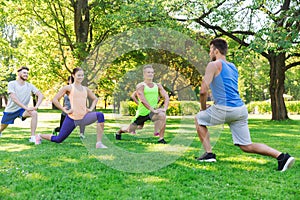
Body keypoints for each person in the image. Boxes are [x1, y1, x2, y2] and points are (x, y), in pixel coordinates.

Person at [194, 38, 295, 172]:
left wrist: (202, 108)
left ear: (216, 50)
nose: (209, 53)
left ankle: (209, 154)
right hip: (240, 110)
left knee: (199, 118)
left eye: (210, 50)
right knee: (246, 145)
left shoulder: (213, 65)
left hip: (225, 109)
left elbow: (203, 91)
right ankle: (282, 157)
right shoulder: (233, 67)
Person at [36, 67, 107, 148]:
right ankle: (40, 136)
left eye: (82, 75)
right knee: (59, 139)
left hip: (84, 117)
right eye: (78, 75)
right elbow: (55, 99)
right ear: (73, 75)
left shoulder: (85, 89)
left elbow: (95, 99)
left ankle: (99, 143)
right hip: (72, 118)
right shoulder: (69, 88)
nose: (81, 77)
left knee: (100, 115)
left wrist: (90, 109)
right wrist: (64, 110)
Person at [116, 64, 169, 144]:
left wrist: (164, 108)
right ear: (144, 74)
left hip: (152, 112)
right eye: (148, 72)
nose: (151, 74)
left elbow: (166, 96)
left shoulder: (158, 86)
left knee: (162, 115)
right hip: (142, 113)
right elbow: (143, 100)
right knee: (132, 129)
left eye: (152, 72)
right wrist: (152, 110)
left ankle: (161, 139)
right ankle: (119, 131)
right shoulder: (140, 86)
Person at [0, 66, 44, 143]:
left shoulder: (29, 85)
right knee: (3, 126)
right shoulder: (12, 84)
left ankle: (32, 137)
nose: (26, 74)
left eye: (27, 73)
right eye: (24, 72)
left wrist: (36, 106)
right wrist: (26, 108)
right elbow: (14, 98)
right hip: (11, 110)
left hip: (22, 110)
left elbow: (40, 95)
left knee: (34, 113)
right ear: (19, 73)